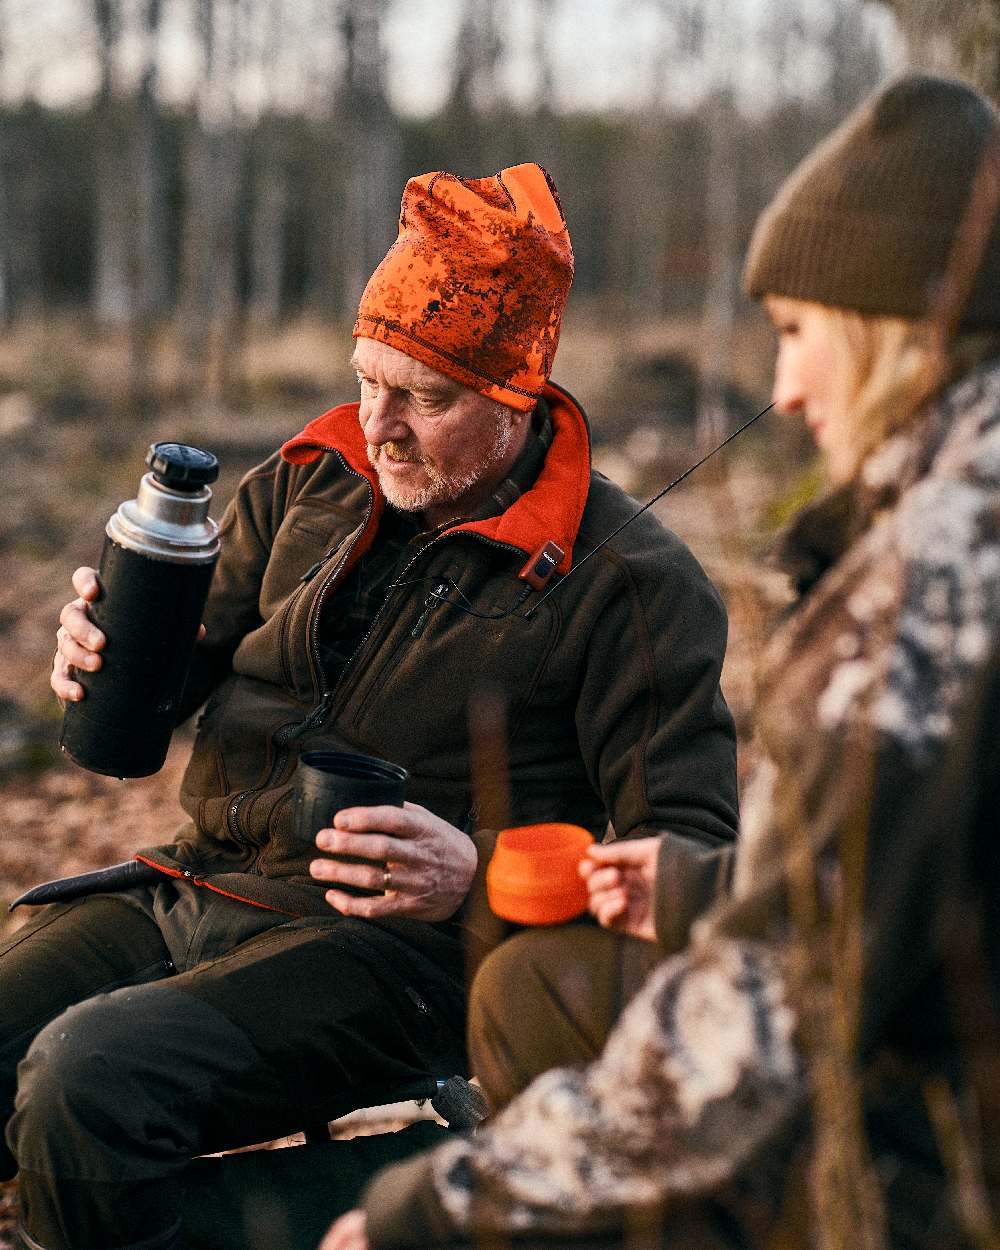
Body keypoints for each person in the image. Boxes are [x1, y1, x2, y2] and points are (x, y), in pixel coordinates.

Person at [3, 162, 739, 1250]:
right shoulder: (317, 473)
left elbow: (693, 853)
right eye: (367, 380)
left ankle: (419, 1193)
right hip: (198, 880)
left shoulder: (629, 581)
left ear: (515, 396)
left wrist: (475, 871)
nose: (379, 425)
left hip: (403, 954)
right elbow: (176, 673)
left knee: (85, 1089)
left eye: (425, 398)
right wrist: (105, 651)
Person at [321, 73, 1000, 1250]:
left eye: (799, 334)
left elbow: (764, 1020)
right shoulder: (308, 496)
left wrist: (428, 1213)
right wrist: (697, 890)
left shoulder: (929, 586)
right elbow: (918, 880)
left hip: (942, 1159)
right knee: (539, 987)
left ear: (905, 332)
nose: (783, 388)